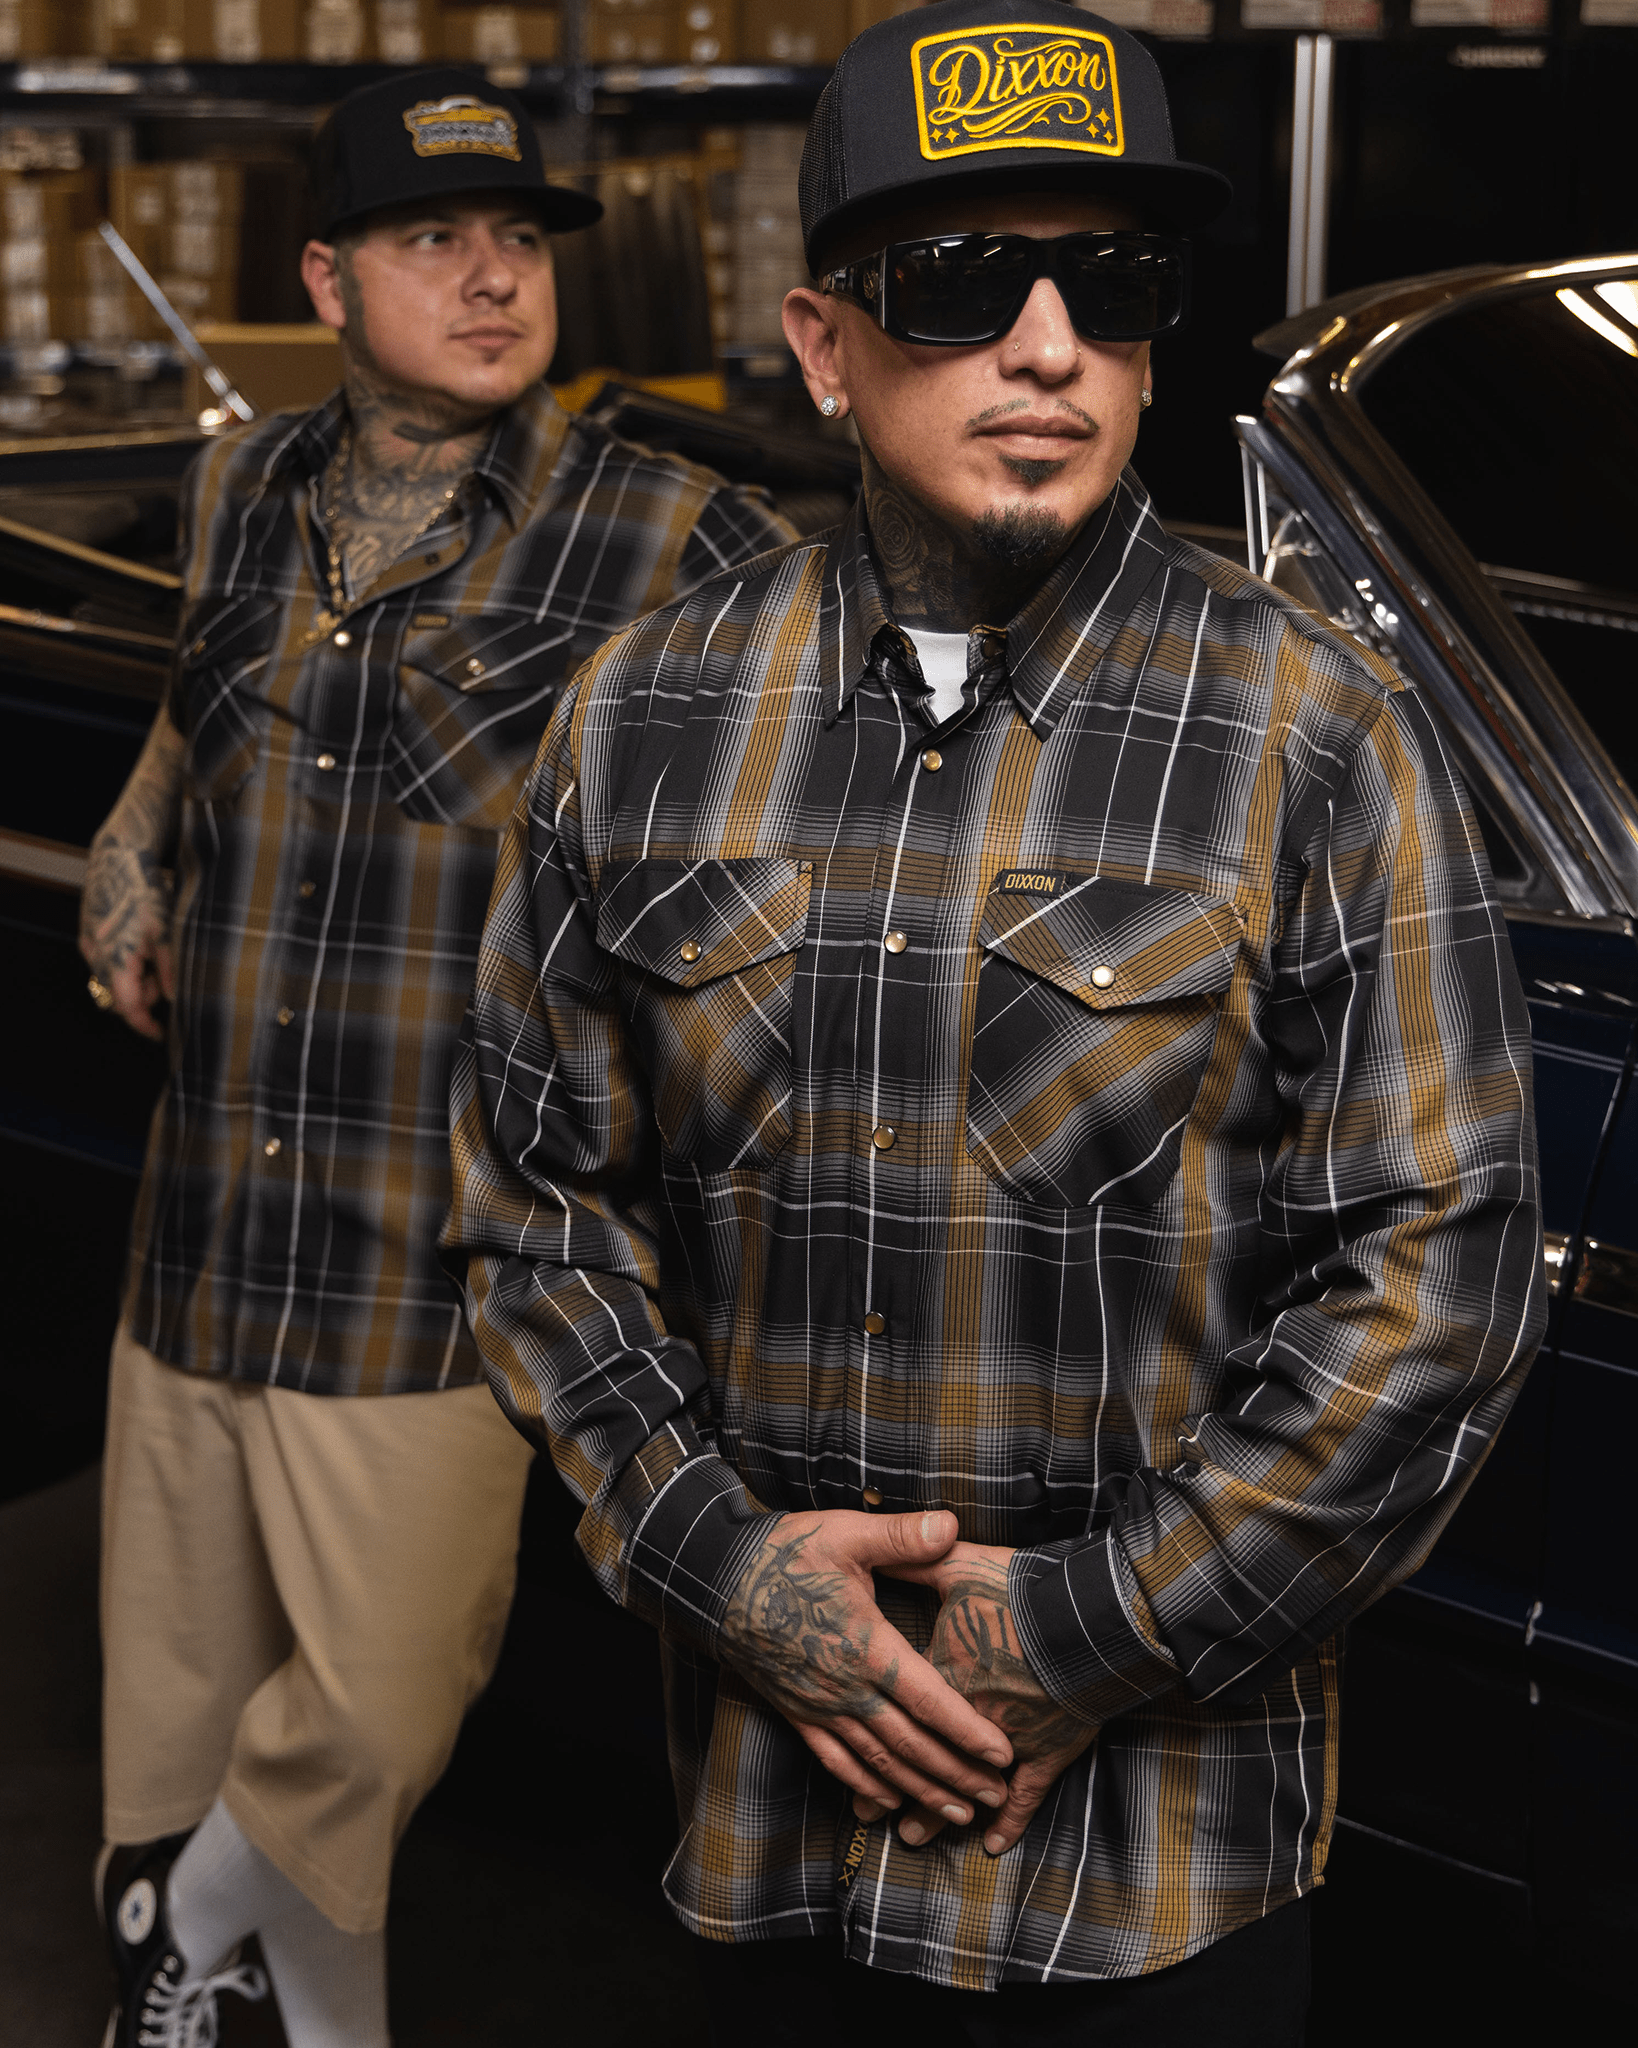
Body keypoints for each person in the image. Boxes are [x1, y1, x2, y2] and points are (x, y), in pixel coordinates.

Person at [443, 5, 1546, 2042]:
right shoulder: (646, 716)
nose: (1048, 347)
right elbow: (534, 1210)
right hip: (769, 1840)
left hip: (1155, 1890)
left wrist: (1083, 1637)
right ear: (822, 344)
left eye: (1108, 286)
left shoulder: (1315, 732)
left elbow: (1437, 1280)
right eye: (960, 282)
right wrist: (723, 1570)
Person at [77, 65, 791, 2048]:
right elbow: (198, 712)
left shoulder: (677, 536)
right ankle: (223, 1993)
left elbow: (829, 809)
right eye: (433, 240)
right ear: (327, 279)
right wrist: (135, 852)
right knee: (172, 1737)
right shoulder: (244, 488)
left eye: (518, 241)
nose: (494, 278)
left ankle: (179, 1922)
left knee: (368, 1724)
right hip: (201, 1239)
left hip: (431, 1274)